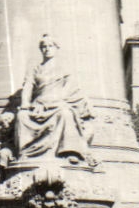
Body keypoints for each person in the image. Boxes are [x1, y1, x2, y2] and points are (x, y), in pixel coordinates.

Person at [13, 34, 96, 166]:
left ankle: (70, 151)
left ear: (57, 48)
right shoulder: (35, 69)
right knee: (22, 116)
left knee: (65, 113)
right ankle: (25, 152)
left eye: (50, 46)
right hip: (38, 105)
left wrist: (51, 102)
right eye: (44, 46)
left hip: (56, 103)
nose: (47, 49)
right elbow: (28, 86)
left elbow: (68, 89)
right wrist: (25, 104)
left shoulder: (64, 68)